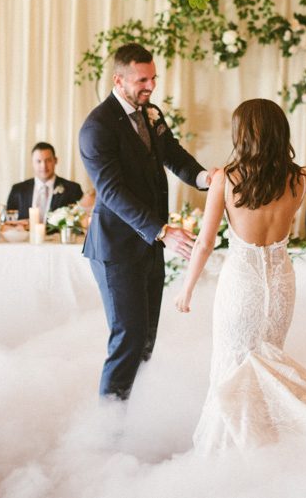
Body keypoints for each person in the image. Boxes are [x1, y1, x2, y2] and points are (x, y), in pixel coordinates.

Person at [175, 99, 306, 454]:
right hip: (281, 284)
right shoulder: (300, 179)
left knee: (231, 369)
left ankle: (233, 454)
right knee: (269, 367)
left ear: (243, 133)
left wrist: (186, 291)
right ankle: (270, 449)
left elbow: (205, 243)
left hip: (241, 284)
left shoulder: (227, 178)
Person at [79, 43, 212, 401]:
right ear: (118, 80)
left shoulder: (150, 113)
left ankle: (135, 414)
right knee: (128, 337)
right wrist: (162, 231)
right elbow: (112, 192)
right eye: (142, 80)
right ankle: (108, 428)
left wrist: (204, 179)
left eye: (153, 78)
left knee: (147, 340)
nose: (150, 86)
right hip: (116, 249)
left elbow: (174, 156)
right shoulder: (97, 127)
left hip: (150, 246)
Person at [5, 142, 83, 225]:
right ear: (32, 163)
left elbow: (79, 221)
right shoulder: (18, 189)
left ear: (55, 160)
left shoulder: (73, 189)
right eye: (38, 161)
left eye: (48, 160)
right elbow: (9, 222)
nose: (43, 166)